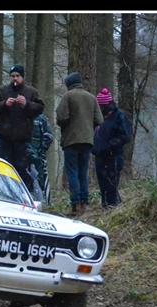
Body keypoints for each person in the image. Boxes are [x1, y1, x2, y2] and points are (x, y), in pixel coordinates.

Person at [0, 65, 45, 192]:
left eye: (18, 76)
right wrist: (4, 104)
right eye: (13, 76)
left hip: (23, 139)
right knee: (4, 166)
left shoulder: (31, 92)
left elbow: (40, 108)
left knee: (22, 168)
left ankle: (24, 194)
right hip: (5, 137)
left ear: (22, 77)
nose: (15, 78)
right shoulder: (2, 91)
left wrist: (26, 104)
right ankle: (4, 191)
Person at [56, 72, 104, 216]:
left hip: (71, 140)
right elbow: (99, 120)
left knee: (72, 172)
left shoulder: (68, 96)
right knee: (83, 172)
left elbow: (61, 117)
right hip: (88, 140)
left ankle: (75, 204)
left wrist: (66, 125)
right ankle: (84, 204)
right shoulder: (91, 97)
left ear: (69, 84)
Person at [92, 88, 133, 209]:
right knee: (102, 183)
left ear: (107, 105)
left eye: (101, 106)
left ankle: (112, 206)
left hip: (113, 155)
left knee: (111, 183)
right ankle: (105, 205)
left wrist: (110, 145)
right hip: (100, 155)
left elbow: (125, 136)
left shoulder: (119, 116)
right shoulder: (99, 117)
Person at [26, 113, 54, 204]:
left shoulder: (41, 119)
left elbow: (49, 136)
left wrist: (41, 150)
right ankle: (27, 200)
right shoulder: (21, 115)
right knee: (25, 178)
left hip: (39, 156)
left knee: (42, 177)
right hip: (23, 156)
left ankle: (45, 202)